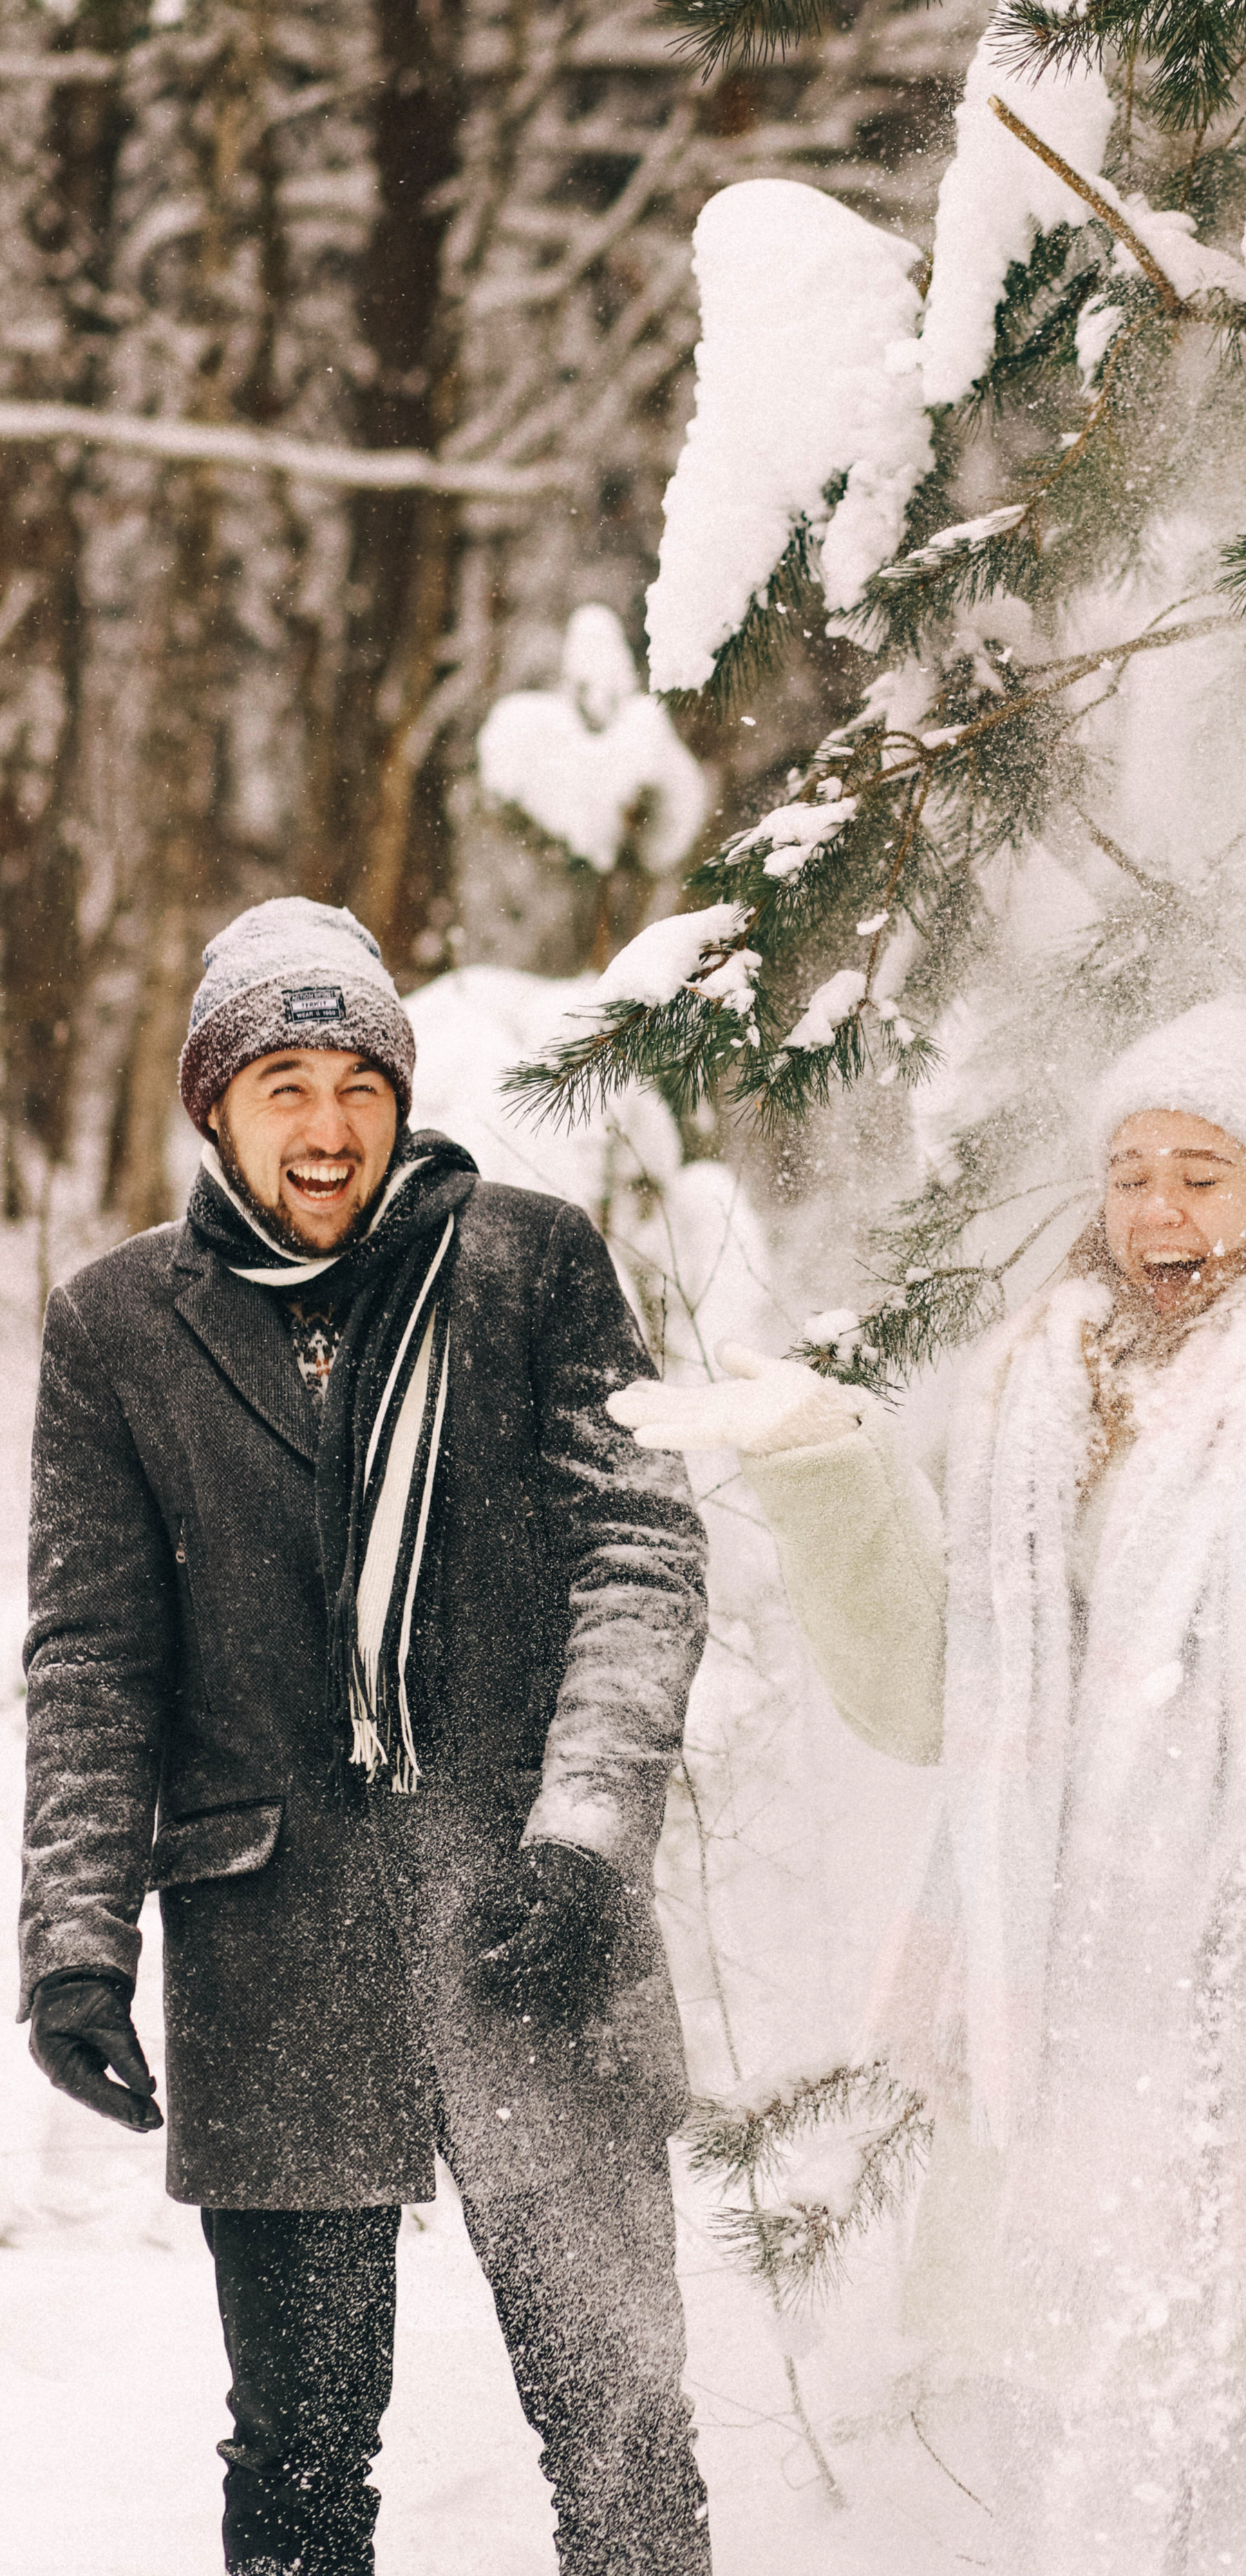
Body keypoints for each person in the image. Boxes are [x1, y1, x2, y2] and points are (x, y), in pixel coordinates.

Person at [610, 988, 1246, 2575]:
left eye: (1200, 1172)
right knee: (1091, 2452)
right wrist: (821, 1467)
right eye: (1127, 1173)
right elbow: (927, 1702)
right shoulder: (1035, 1388)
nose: (1155, 1209)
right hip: (1072, 2001)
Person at [18, 898, 712, 2576]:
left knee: (623, 2437)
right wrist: (76, 1945)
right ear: (215, 1108)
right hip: (276, 1957)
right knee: (303, 2463)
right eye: (284, 1087)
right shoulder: (119, 1326)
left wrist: (585, 1835)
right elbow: (95, 1658)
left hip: (531, 1930)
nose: (328, 1127)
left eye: (359, 1084)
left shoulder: (526, 1266)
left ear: (401, 1097)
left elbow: (639, 1549)